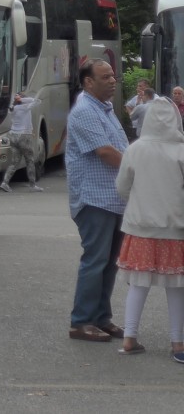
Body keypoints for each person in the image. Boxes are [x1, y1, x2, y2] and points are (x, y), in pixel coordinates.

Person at [114, 97, 184, 359]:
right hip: (175, 230)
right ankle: (179, 345)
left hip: (140, 228)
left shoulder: (136, 148)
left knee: (138, 284)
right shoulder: (181, 150)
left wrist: (139, 202)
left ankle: (130, 338)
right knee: (177, 286)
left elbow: (122, 187)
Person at [66, 58, 128, 342]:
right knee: (96, 259)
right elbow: (105, 151)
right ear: (88, 82)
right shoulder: (84, 111)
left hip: (114, 199)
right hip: (95, 199)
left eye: (113, 75)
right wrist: (140, 169)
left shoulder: (105, 109)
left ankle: (101, 318)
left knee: (110, 261)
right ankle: (81, 322)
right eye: (105, 77)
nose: (112, 80)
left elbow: (120, 148)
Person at [0, 94, 44, 192]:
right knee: (30, 160)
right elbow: (37, 101)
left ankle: (5, 183)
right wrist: (23, 99)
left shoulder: (12, 109)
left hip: (13, 135)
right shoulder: (25, 107)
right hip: (24, 136)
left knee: (14, 162)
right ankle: (32, 185)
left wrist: (17, 99)